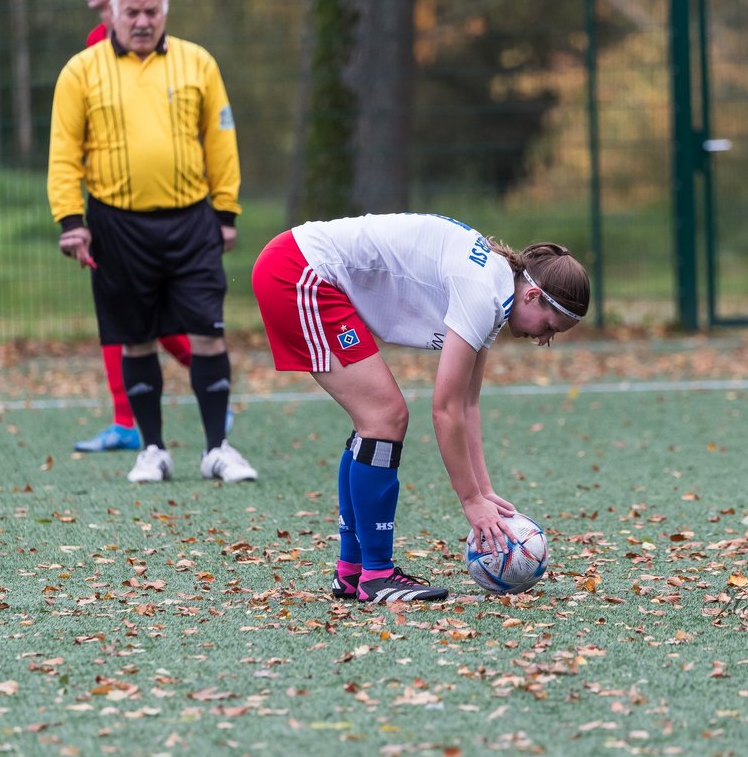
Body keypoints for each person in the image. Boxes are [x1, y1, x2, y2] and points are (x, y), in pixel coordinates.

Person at [251, 213, 590, 602]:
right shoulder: (482, 292)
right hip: (298, 271)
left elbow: (467, 403)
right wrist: (469, 501)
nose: (544, 339)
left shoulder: (498, 291)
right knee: (384, 417)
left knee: (377, 419)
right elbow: (444, 409)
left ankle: (353, 571)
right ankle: (376, 575)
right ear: (532, 295)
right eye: (549, 327)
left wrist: (484, 491)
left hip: (300, 266)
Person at [48, 0, 257, 484]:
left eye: (151, 12)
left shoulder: (198, 62)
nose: (142, 22)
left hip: (192, 223)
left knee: (208, 335)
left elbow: (221, 141)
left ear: (165, 11)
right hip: (116, 226)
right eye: (132, 13)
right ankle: (153, 450)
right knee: (135, 339)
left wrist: (225, 212)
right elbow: (63, 154)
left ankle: (217, 449)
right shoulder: (81, 71)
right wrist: (71, 221)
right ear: (113, 15)